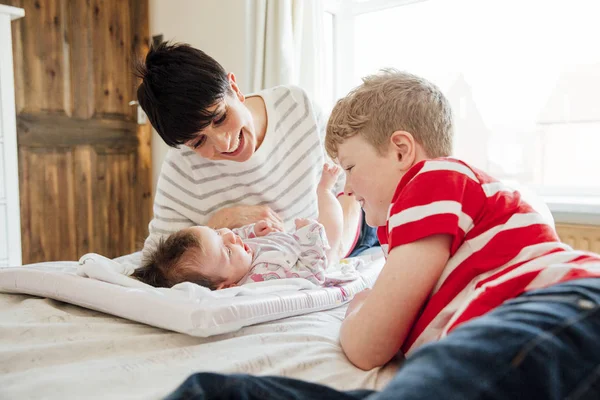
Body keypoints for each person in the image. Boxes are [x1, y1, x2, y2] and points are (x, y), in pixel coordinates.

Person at [163, 70, 600, 399]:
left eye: (350, 167)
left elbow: (367, 346)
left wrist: (359, 306)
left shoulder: (434, 179)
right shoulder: (426, 231)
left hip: (553, 308)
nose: (347, 187)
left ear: (401, 150)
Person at [135, 42, 378, 263]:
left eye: (220, 118)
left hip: (347, 233)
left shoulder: (295, 106)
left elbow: (349, 187)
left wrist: (331, 256)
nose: (223, 144)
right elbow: (155, 259)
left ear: (234, 88)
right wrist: (218, 224)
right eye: (198, 142)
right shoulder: (182, 166)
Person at [133, 164, 347, 289]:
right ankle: (326, 192)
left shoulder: (237, 259)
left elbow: (234, 236)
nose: (232, 237)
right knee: (331, 228)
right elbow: (312, 274)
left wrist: (253, 232)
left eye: (217, 232)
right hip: (312, 252)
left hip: (287, 241)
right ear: (226, 286)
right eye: (226, 250)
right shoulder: (264, 276)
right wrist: (310, 234)